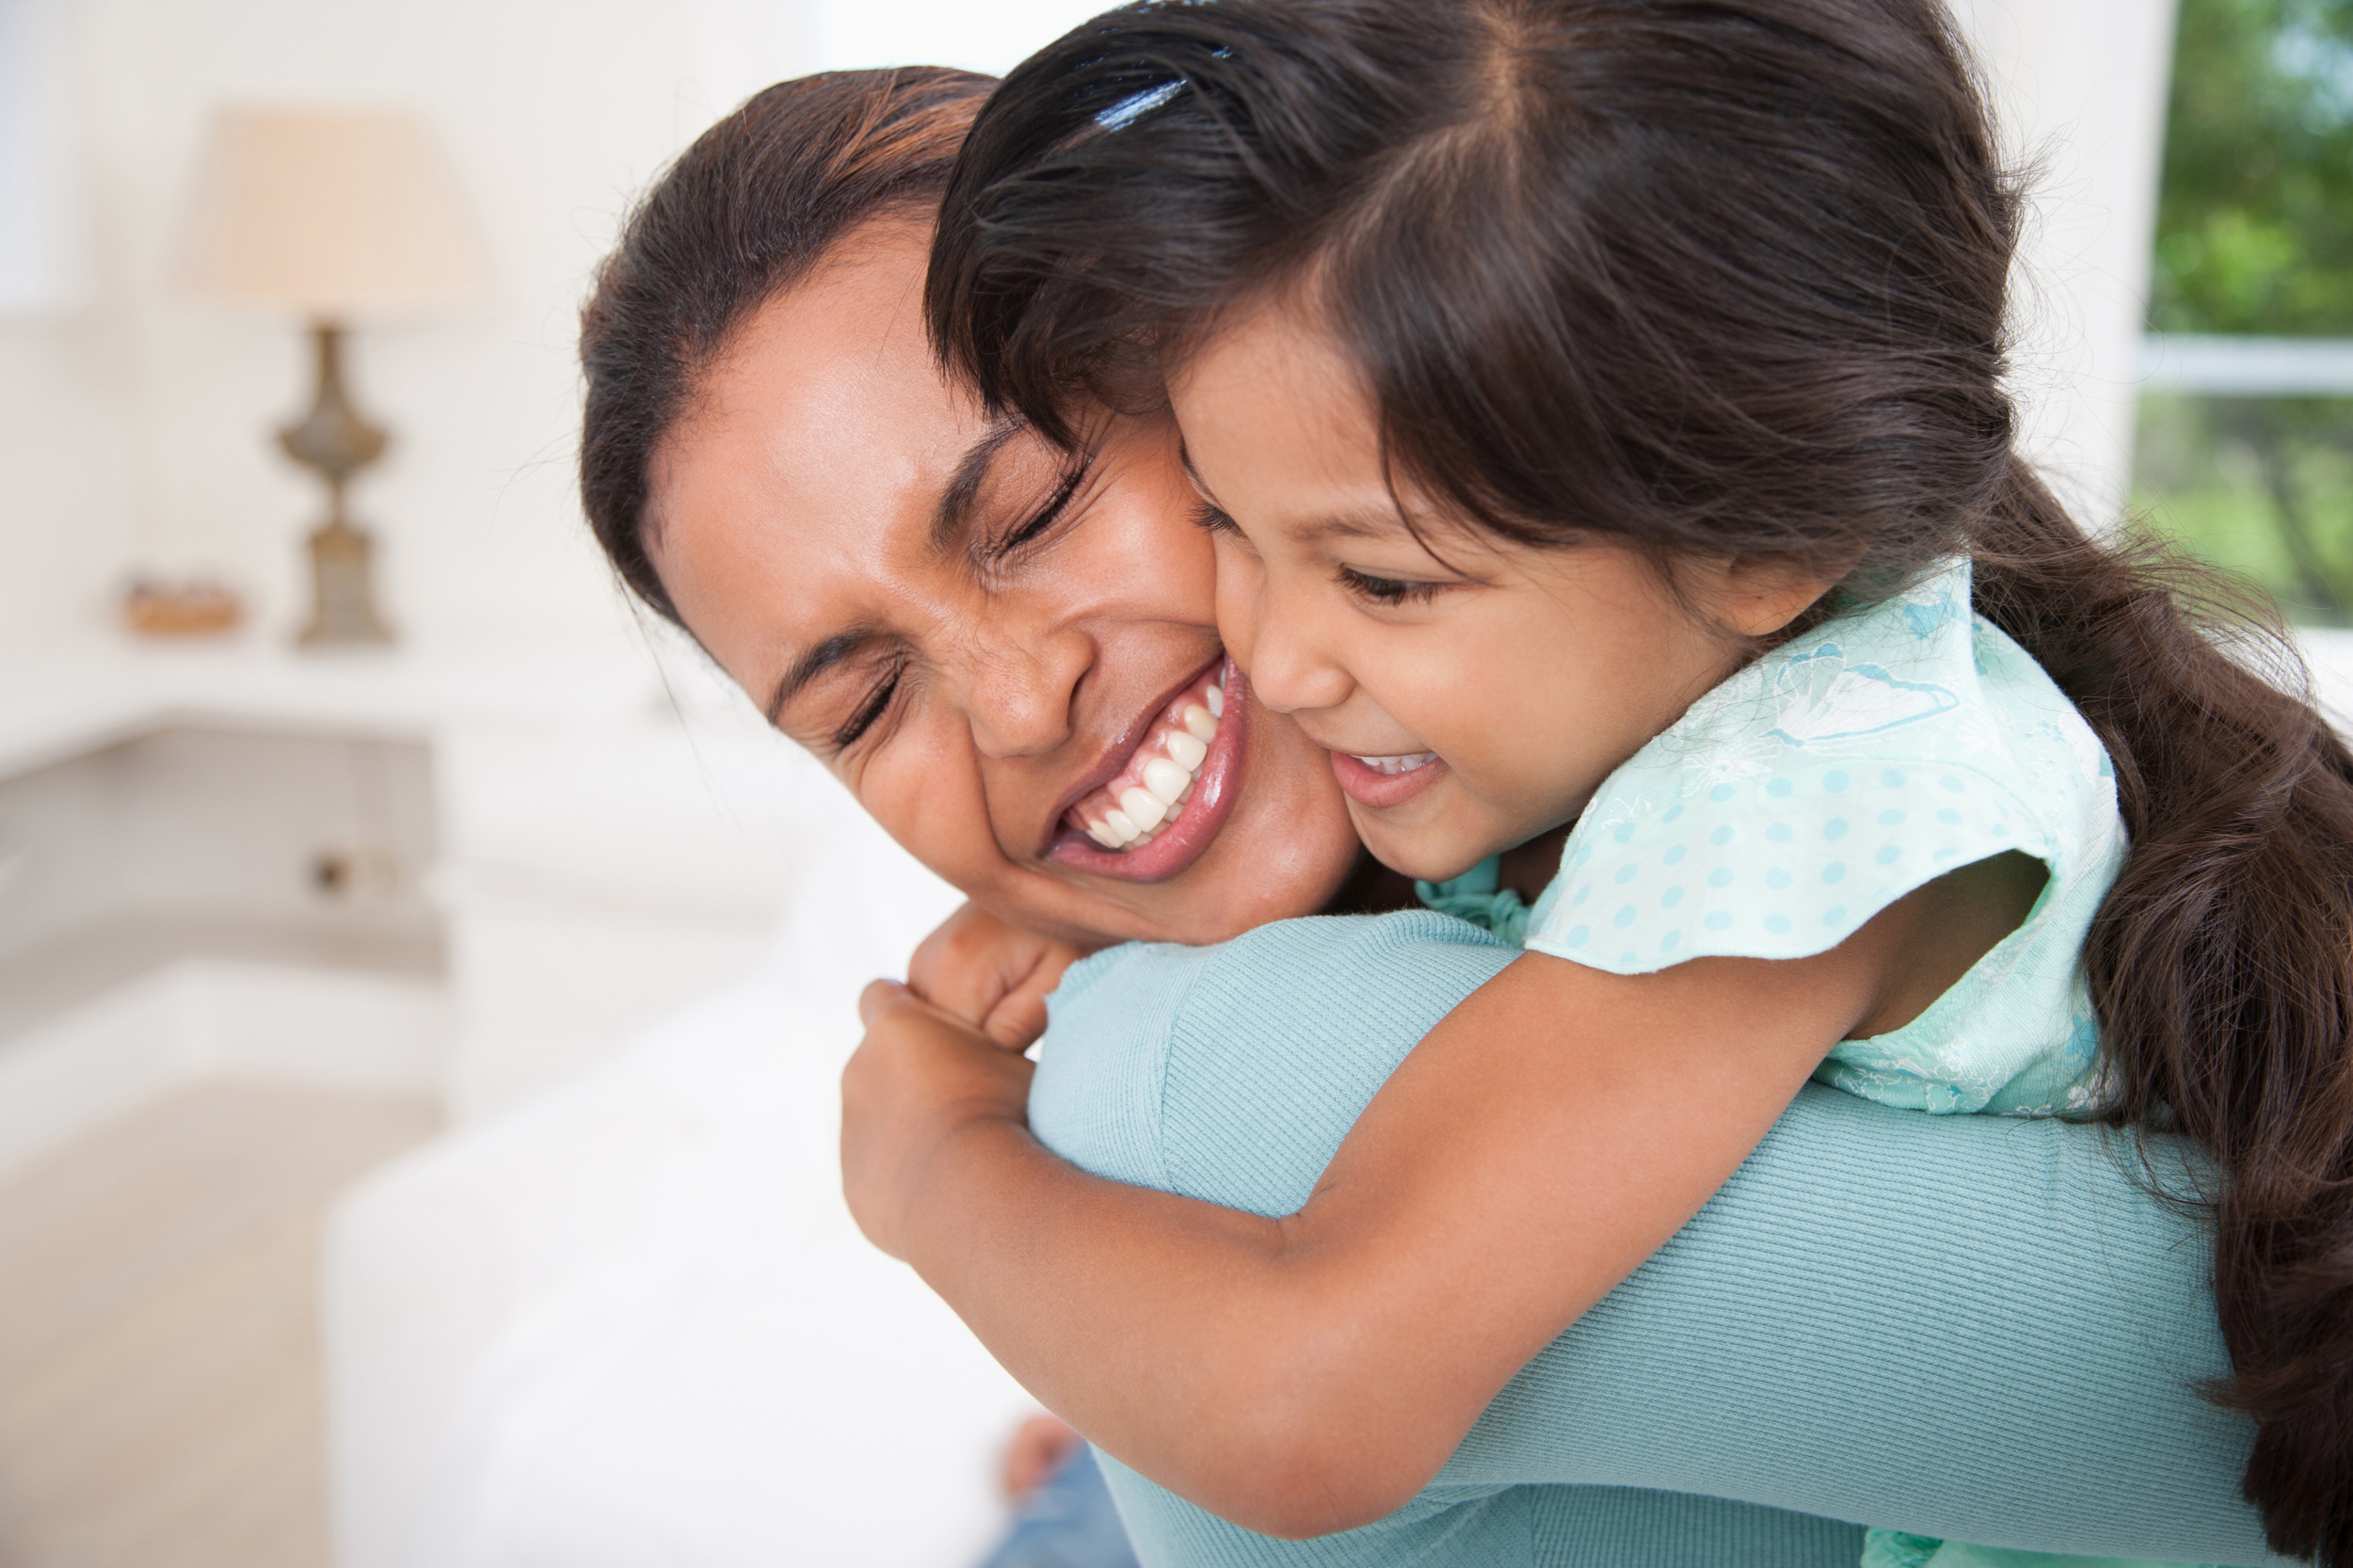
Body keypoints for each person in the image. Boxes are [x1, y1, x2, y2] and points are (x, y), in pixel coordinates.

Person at [578, 62, 2281, 1568]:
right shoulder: (1669, 763)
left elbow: (1297, 1397)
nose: (1020, 708)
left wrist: (938, 1164)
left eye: (1032, 508)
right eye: (865, 704)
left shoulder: (1196, 1079)